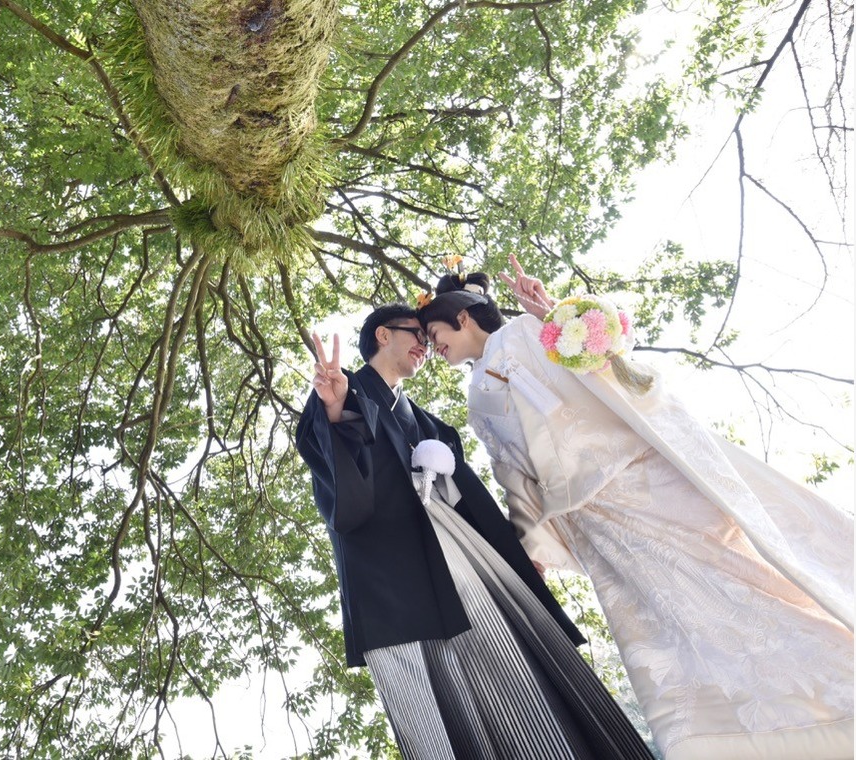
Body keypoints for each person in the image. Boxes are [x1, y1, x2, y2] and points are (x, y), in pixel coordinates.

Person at [417, 256, 855, 760]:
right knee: (668, 622)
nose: (433, 346)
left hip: (639, 479)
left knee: (743, 577)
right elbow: (512, 471)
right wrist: (531, 544)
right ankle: (730, 736)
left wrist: (555, 314)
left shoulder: (527, 330)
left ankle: (840, 682)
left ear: (464, 317)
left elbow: (614, 370)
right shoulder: (476, 395)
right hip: (593, 520)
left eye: (434, 331)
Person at [294, 303, 655, 759]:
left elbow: (474, 499)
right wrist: (333, 409)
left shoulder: (429, 424)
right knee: (431, 704)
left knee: (520, 675)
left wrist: (519, 555)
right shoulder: (347, 393)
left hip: (462, 561)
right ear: (383, 335)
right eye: (416, 335)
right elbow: (339, 481)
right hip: (397, 578)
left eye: (429, 337)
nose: (425, 346)